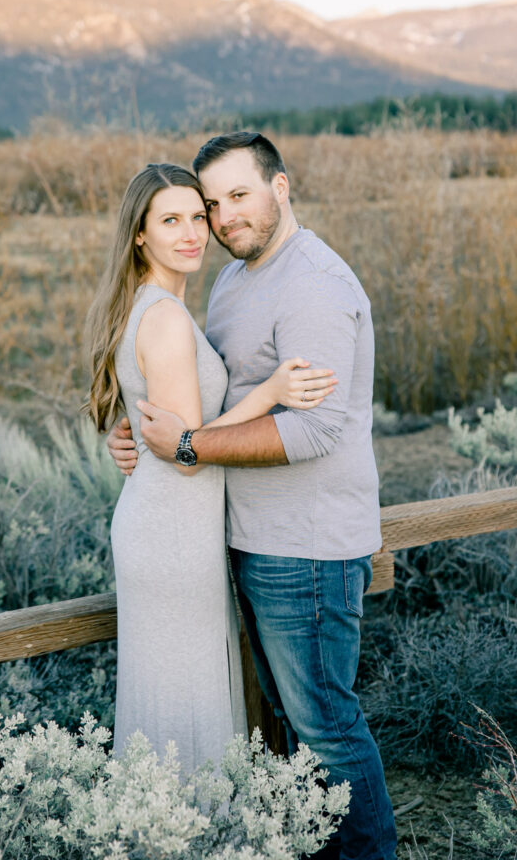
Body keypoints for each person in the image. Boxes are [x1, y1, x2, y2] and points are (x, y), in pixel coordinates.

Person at [107, 134, 398, 860]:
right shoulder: (234, 280)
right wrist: (142, 432)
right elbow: (202, 398)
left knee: (326, 729)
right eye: (209, 205)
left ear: (281, 188)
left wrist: (182, 446)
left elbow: (315, 430)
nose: (220, 218)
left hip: (305, 548)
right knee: (292, 734)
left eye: (237, 197)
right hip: (241, 538)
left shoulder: (314, 285)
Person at [86, 161, 337, 775]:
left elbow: (171, 433)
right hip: (171, 530)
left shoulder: (150, 306)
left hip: (170, 524)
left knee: (179, 698)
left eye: (198, 217)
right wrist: (272, 389)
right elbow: (189, 451)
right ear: (139, 233)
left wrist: (142, 443)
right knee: (182, 704)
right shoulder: (166, 317)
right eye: (171, 220)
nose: (193, 232)